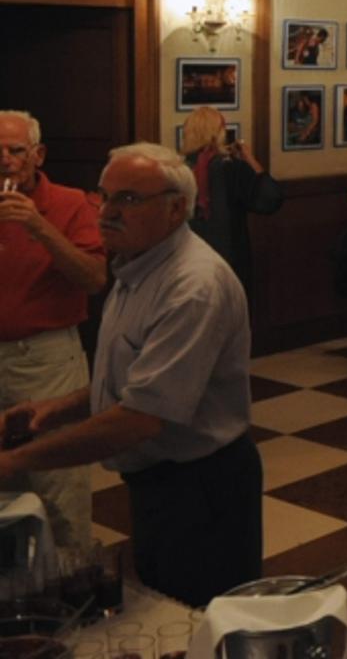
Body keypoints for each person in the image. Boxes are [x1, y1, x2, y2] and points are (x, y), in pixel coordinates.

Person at [0, 143, 260, 606]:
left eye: (129, 199)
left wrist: (15, 462)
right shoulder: (138, 263)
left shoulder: (192, 286)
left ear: (176, 208)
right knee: (166, 598)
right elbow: (129, 381)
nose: (107, 212)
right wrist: (52, 410)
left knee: (200, 614)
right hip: (159, 481)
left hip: (201, 486)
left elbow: (140, 418)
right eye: (104, 196)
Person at [0, 110, 106, 549]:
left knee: (57, 484)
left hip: (43, 360)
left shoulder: (69, 203)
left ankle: (70, 578)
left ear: (38, 155)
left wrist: (38, 226)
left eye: (15, 150)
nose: (5, 160)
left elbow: (94, 278)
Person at [178, 106, 283, 288]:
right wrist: (249, 158)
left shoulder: (178, 170)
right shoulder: (232, 168)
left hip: (187, 257)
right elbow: (270, 199)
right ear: (219, 134)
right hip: (229, 258)